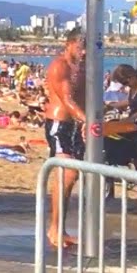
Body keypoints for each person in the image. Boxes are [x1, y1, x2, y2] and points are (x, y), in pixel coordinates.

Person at [44, 30, 87, 249]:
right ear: (68, 44)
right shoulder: (59, 66)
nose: (84, 51)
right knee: (66, 174)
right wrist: (85, 119)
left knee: (73, 176)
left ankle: (59, 228)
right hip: (59, 123)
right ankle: (54, 229)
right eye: (80, 47)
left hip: (76, 126)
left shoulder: (84, 66)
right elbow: (67, 99)